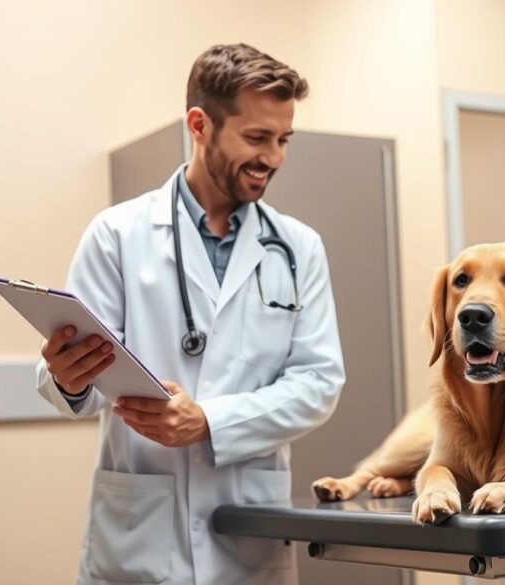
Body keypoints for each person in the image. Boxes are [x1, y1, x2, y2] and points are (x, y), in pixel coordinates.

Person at [36, 44, 345, 585]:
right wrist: (66, 375)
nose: (272, 157)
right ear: (200, 125)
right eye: (256, 137)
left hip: (248, 542)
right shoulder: (117, 235)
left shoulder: (299, 248)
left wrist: (209, 422)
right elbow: (75, 389)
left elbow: (319, 383)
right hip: (140, 542)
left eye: (281, 140)